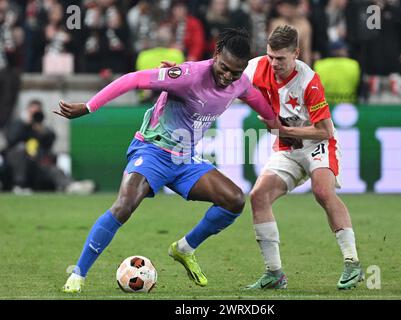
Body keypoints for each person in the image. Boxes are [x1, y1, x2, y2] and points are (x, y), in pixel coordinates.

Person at [56, 28, 278, 293]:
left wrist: (277, 126)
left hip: (185, 160)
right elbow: (132, 79)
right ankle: (78, 275)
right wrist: (89, 107)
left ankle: (184, 249)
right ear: (216, 54)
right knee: (124, 206)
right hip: (152, 151)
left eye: (236, 72)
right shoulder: (188, 75)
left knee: (234, 200)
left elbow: (258, 101)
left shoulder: (238, 83)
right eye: (224, 67)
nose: (228, 76)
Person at [243, 25, 363, 290]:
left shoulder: (308, 80)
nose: (274, 64)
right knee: (258, 196)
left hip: (317, 144)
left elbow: (325, 130)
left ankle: (352, 262)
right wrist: (183, 73)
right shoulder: (256, 67)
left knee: (322, 192)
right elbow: (220, 70)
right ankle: (274, 273)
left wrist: (283, 130)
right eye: (270, 56)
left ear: (296, 53)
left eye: (281, 59)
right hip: (287, 149)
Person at [2, 99, 95, 194]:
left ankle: (71, 185)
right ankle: (19, 185)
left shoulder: (41, 128)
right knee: (21, 148)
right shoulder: (18, 124)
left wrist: (41, 129)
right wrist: (25, 124)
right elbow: (11, 139)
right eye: (32, 112)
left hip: (36, 164)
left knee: (53, 169)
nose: (34, 115)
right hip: (16, 165)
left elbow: (50, 141)